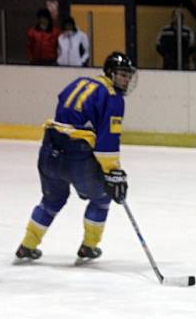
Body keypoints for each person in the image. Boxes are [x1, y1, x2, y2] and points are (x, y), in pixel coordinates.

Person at [15, 52, 136, 263]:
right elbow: (107, 143)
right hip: (77, 158)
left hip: (49, 151)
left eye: (128, 75)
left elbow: (63, 105)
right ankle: (89, 246)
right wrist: (113, 172)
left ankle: (27, 245)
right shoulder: (113, 98)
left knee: (51, 199)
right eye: (122, 75)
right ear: (110, 73)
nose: (126, 80)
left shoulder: (81, 81)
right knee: (101, 199)